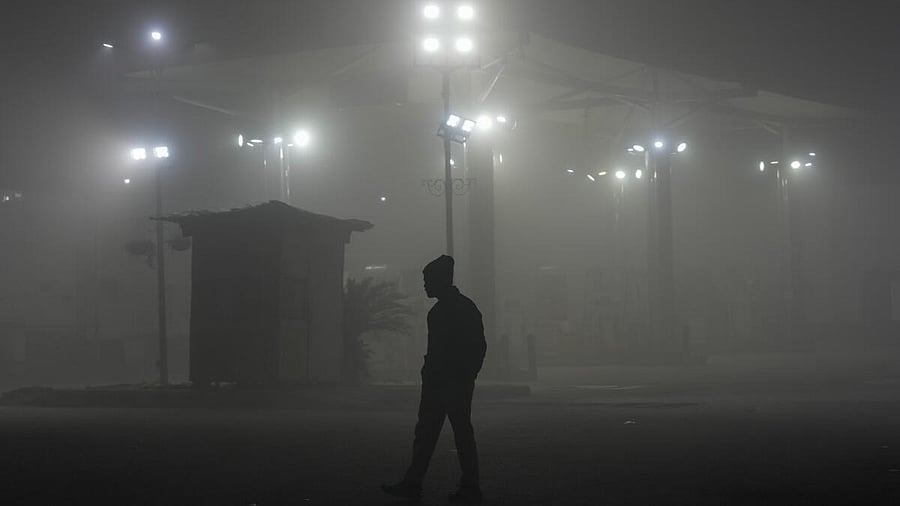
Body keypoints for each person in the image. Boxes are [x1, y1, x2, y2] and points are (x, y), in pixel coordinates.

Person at [383, 255, 487, 504]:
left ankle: (417, 482)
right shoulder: (463, 307)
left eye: (427, 280)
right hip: (448, 381)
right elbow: (479, 347)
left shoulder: (442, 312)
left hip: (445, 382)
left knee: (431, 434)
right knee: (454, 433)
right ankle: (465, 485)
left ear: (440, 280)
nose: (425, 285)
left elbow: (470, 347)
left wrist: (457, 375)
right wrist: (467, 375)